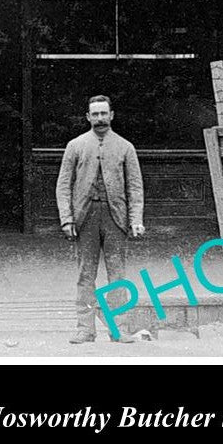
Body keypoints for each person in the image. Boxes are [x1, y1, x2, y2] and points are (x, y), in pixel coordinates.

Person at [55, 94, 145, 344]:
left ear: (112, 115)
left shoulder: (126, 147)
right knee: (85, 275)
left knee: (117, 275)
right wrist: (67, 219)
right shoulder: (75, 145)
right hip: (85, 219)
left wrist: (135, 218)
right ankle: (85, 329)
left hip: (116, 218)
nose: (100, 118)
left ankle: (120, 329)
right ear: (88, 117)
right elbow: (63, 185)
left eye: (104, 113)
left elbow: (135, 187)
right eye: (95, 114)